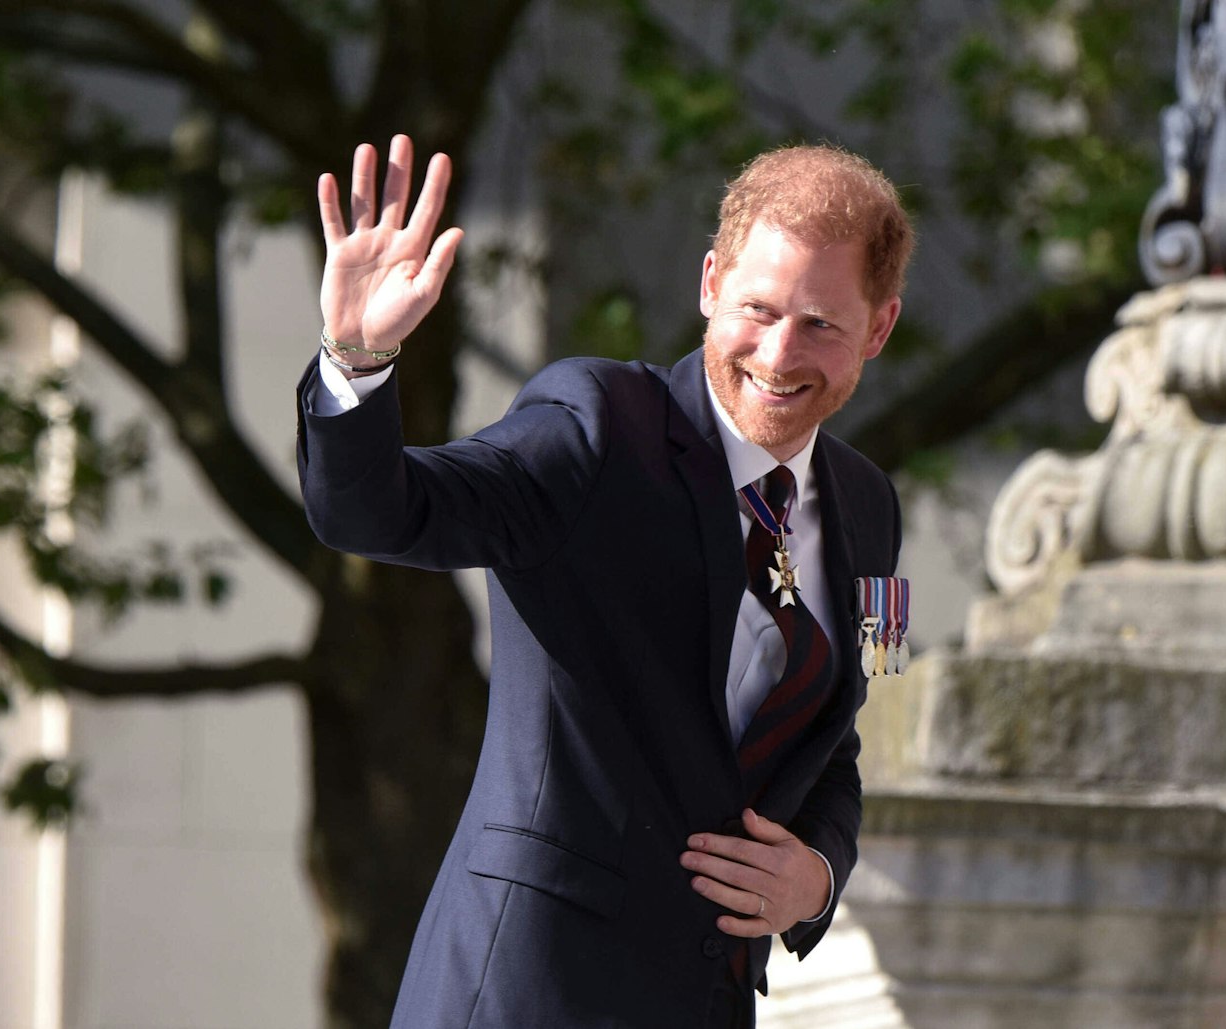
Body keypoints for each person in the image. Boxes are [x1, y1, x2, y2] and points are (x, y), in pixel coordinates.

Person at [297, 134, 914, 1028]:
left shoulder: (872, 510)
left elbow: (849, 732)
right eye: (757, 308)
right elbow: (380, 515)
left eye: (821, 323)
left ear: (880, 328)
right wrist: (356, 360)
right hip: (529, 988)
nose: (780, 355)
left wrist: (816, 876)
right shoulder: (591, 425)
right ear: (709, 284)